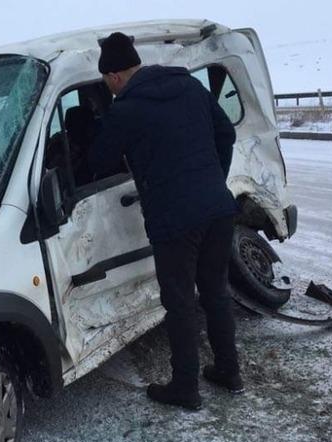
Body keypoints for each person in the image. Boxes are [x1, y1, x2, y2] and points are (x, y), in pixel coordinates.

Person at [88, 33, 241, 410]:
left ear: (115, 76)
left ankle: (186, 388)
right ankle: (229, 372)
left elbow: (97, 165)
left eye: (107, 82)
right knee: (216, 292)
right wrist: (212, 180)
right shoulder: (189, 85)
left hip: (175, 220)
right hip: (218, 208)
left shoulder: (125, 110)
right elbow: (226, 133)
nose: (109, 88)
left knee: (179, 303)